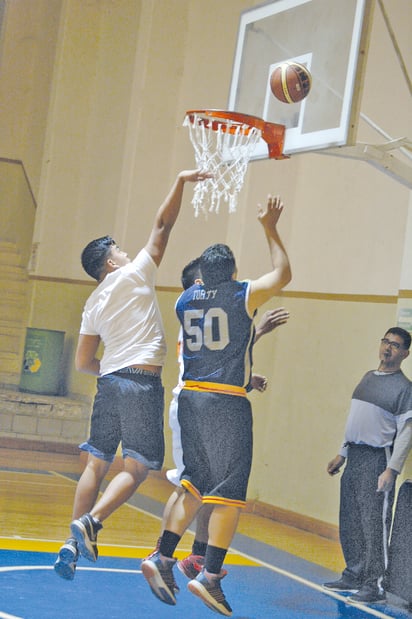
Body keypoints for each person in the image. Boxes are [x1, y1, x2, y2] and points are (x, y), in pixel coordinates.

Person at [53, 168, 211, 580]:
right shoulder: (135, 272)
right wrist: (179, 179)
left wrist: (112, 370)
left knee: (95, 464)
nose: (126, 252)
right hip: (140, 383)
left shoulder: (93, 302)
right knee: (138, 467)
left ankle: (70, 541)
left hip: (109, 384)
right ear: (110, 261)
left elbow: (83, 362)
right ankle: (92, 522)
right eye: (119, 249)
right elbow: (163, 223)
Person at [141, 194, 292, 616]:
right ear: (232, 275)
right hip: (225, 404)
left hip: (190, 397)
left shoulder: (184, 300)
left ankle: (163, 556)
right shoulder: (239, 294)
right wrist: (270, 227)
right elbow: (283, 273)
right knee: (228, 496)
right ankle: (210, 576)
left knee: (193, 484)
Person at [323, 327, 412, 605]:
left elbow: (406, 433)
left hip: (378, 460)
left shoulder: (404, 388)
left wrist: (392, 470)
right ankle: (354, 573)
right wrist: (342, 453)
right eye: (385, 342)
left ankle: (374, 584)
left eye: (395, 345)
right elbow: (356, 420)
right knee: (350, 519)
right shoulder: (367, 378)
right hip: (355, 456)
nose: (388, 348)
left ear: (405, 354)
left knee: (373, 524)